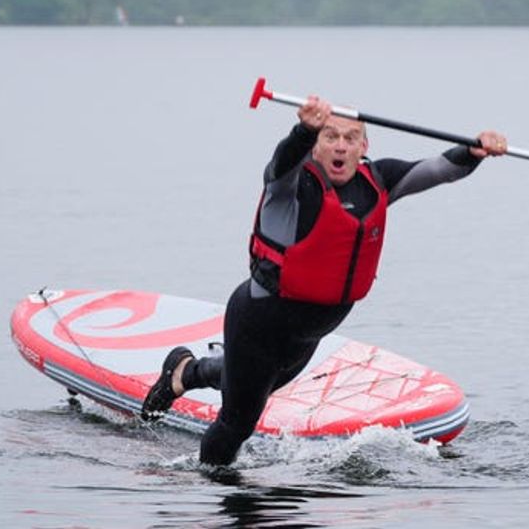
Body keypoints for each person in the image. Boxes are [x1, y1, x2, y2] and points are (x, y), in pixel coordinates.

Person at [141, 95, 508, 465]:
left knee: (252, 382)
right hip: (258, 322)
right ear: (316, 144)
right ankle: (217, 491)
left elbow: (440, 169)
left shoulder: (378, 181)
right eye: (330, 136)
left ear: (363, 147)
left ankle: (183, 372)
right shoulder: (292, 186)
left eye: (350, 138)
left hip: (306, 338)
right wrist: (303, 130)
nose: (340, 146)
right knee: (237, 423)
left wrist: (475, 151)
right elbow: (280, 163)